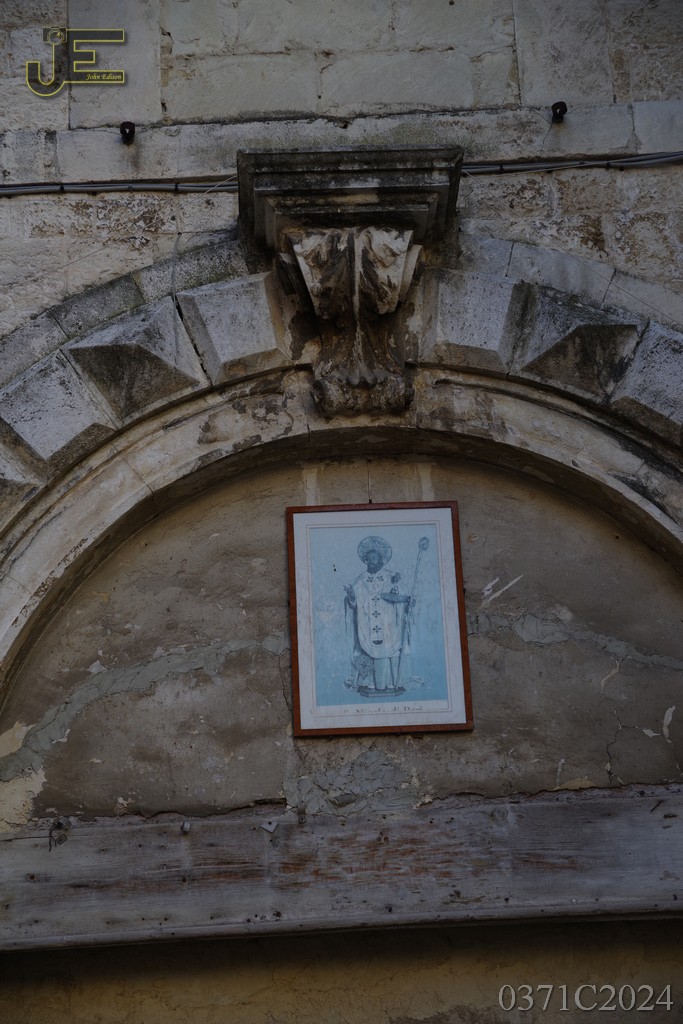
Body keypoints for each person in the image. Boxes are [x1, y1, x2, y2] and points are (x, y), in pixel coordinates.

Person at [344, 535, 411, 693]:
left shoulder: (391, 576)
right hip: (366, 623)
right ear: (365, 560)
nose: (372, 561)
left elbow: (401, 595)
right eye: (369, 558)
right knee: (365, 648)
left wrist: (399, 590)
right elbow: (353, 602)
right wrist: (352, 596)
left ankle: (393, 683)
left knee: (391, 648)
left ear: (381, 559)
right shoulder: (361, 580)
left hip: (388, 622)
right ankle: (368, 683)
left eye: (375, 558)